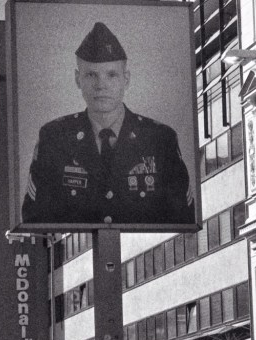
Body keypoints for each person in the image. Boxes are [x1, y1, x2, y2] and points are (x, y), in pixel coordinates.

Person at [21, 21, 194, 226]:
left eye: (111, 75)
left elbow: (182, 217)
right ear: (78, 79)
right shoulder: (54, 138)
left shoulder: (159, 138)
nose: (101, 85)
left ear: (126, 79)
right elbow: (36, 218)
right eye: (91, 75)